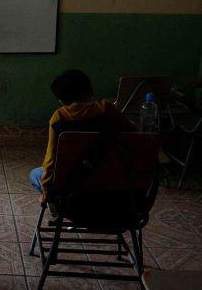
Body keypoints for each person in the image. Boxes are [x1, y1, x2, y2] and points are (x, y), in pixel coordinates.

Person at [30, 69, 135, 203]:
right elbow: (134, 133)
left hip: (72, 188)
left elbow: (51, 161)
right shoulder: (108, 110)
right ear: (91, 91)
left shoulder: (59, 118)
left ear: (61, 101)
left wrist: (46, 195)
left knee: (35, 174)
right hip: (111, 183)